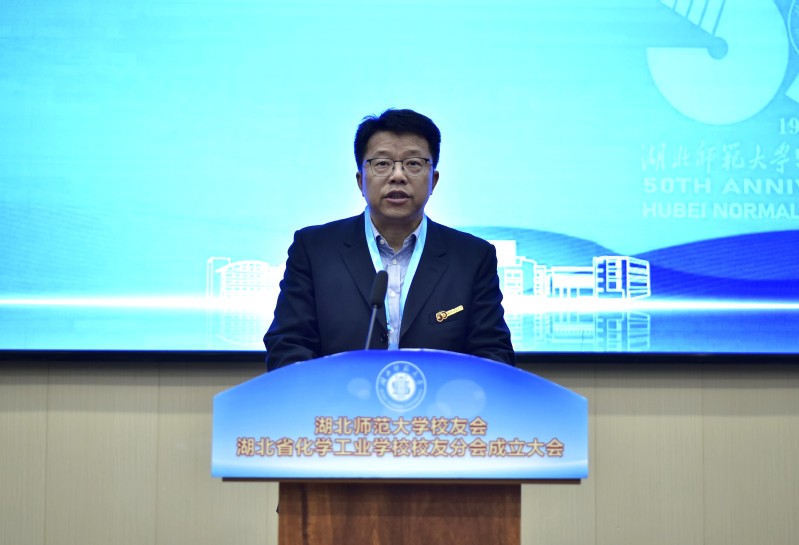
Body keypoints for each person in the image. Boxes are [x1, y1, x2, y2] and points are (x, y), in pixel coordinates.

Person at [264, 108, 514, 370]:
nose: (398, 176)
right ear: (360, 181)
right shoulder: (314, 250)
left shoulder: (472, 257)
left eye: (413, 163)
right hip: (338, 396)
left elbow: (494, 354)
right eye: (382, 163)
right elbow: (287, 347)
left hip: (441, 397)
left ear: (434, 180)